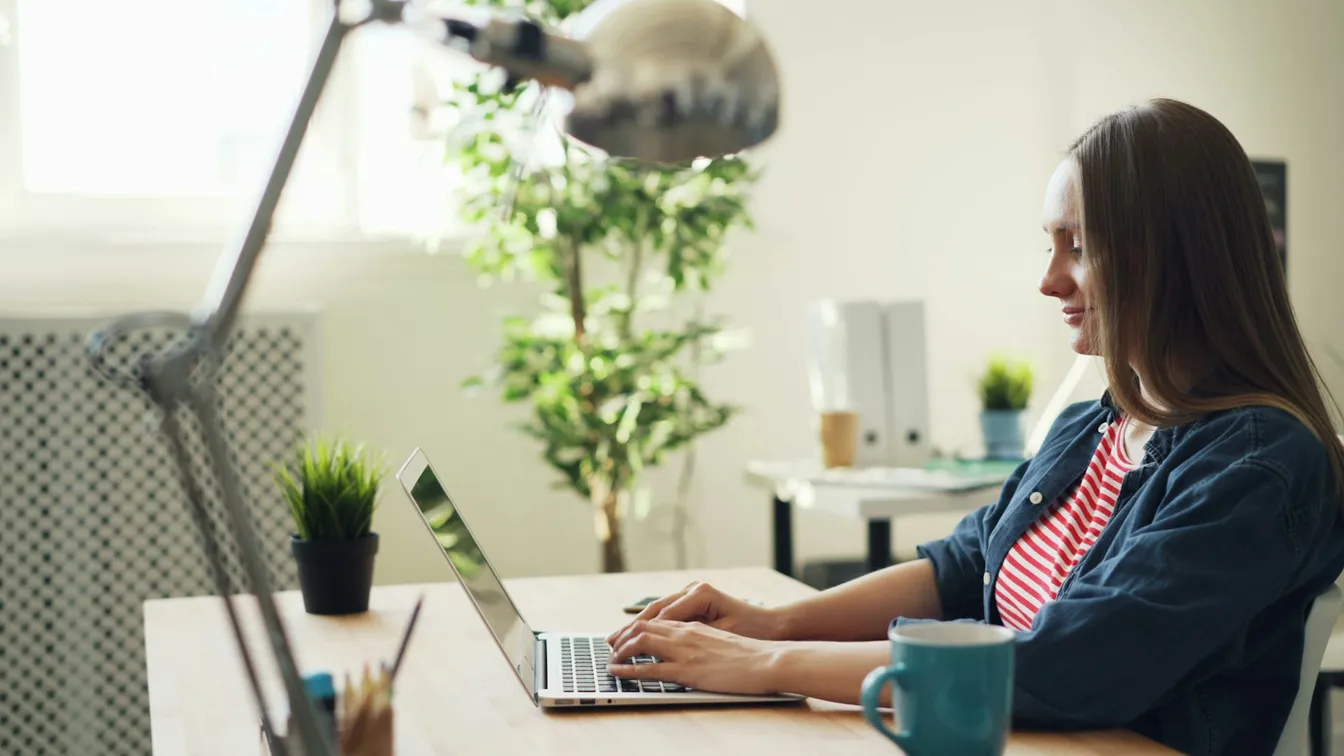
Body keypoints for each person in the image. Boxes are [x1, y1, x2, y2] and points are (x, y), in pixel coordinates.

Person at [605, 98, 1344, 756]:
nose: (1050, 279)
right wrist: (774, 624)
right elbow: (960, 570)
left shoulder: (1259, 466)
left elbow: (1064, 667)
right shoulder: (1093, 428)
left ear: (1174, 257)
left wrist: (765, 668)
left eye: (1079, 247)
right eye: (1050, 244)